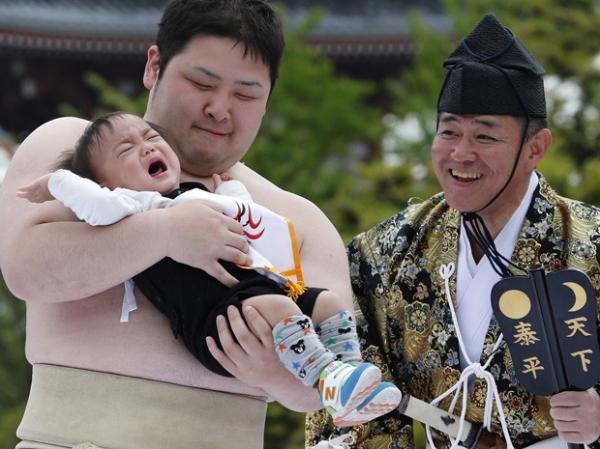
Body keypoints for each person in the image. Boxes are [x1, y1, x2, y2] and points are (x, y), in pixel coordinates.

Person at [0, 1, 355, 448]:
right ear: (154, 67)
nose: (220, 109)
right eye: (201, 82)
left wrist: (278, 378)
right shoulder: (73, 157)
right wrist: (164, 232)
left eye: (245, 95)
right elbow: (25, 268)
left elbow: (334, 377)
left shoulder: (298, 219)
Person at [306, 13, 600, 449]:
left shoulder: (589, 243)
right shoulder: (386, 252)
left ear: (535, 148)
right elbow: (346, 385)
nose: (460, 154)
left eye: (485, 137)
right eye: (449, 132)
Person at [17, 111, 402, 427]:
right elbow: (93, 204)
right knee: (282, 310)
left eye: (150, 137)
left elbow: (243, 214)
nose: (146, 146)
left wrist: (230, 190)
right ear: (106, 181)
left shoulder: (196, 195)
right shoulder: (130, 206)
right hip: (215, 319)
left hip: (258, 291)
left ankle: (348, 374)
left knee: (329, 303)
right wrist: (59, 182)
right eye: (127, 149)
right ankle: (329, 380)